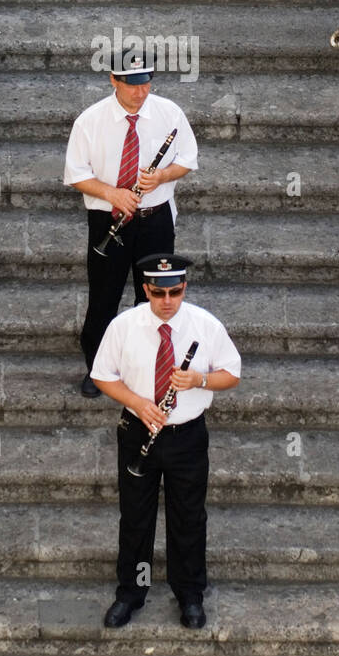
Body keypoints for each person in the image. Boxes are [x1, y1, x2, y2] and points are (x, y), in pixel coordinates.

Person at [92, 253, 241, 630]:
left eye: (175, 292)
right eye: (158, 293)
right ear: (145, 289)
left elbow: (232, 373)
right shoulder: (124, 325)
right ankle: (131, 592)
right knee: (136, 519)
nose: (167, 301)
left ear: (184, 288)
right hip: (139, 430)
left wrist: (199, 381)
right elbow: (102, 376)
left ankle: (189, 594)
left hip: (186, 435)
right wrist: (139, 403)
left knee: (188, 518)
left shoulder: (205, 325)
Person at [63, 51, 198, 399]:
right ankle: (97, 369)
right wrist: (112, 193)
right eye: (132, 85)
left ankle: (145, 368)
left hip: (156, 219)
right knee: (104, 297)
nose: (140, 92)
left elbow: (187, 159)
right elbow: (76, 174)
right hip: (109, 218)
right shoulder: (90, 121)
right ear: (113, 80)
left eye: (145, 83)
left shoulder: (169, 113)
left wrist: (163, 175)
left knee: (152, 298)